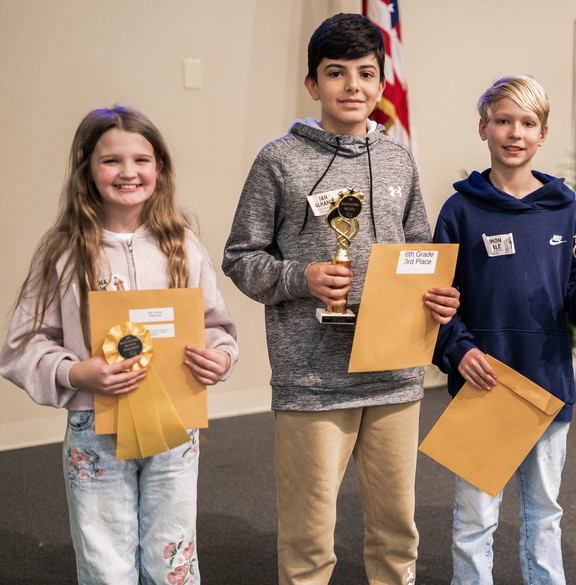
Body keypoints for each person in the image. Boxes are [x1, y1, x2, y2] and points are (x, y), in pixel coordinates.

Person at [221, 13, 459, 585]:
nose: (352, 86)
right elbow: (240, 258)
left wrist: (437, 296)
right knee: (309, 539)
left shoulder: (399, 157)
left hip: (395, 372)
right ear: (312, 85)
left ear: (381, 84)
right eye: (336, 73)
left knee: (397, 531)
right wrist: (303, 278)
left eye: (365, 73)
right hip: (313, 378)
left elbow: (420, 248)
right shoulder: (278, 161)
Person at [0, 106, 239, 584]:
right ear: (87, 169)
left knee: (173, 551)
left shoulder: (183, 245)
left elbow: (216, 327)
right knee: (105, 557)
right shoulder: (64, 252)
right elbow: (21, 344)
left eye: (142, 160)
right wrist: (74, 372)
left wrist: (221, 358)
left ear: (160, 169)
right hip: (96, 429)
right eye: (111, 161)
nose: (128, 172)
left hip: (174, 427)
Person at [432, 75, 576, 585]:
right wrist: (457, 351)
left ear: (543, 133)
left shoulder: (567, 208)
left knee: (545, 513)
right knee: (476, 518)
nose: (515, 133)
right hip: (482, 382)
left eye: (527, 123)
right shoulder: (459, 211)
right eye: (504, 121)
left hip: (547, 383)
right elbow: (436, 301)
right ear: (483, 128)